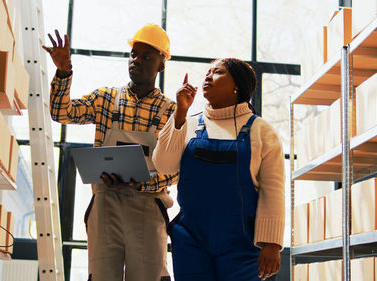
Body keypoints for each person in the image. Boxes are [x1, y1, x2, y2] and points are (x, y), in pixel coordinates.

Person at [43, 25, 177, 281]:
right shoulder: (106, 99)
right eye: (133, 55)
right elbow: (62, 113)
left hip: (148, 206)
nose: (136, 61)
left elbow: (176, 170)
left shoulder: (171, 112)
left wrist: (145, 183)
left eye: (146, 57)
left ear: (161, 65)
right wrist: (63, 72)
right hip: (106, 203)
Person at [153, 58, 285, 281]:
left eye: (218, 72)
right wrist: (180, 115)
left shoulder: (261, 131)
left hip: (241, 243)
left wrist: (272, 243)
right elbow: (163, 165)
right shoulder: (190, 123)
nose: (208, 76)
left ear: (237, 86)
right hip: (191, 241)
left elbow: (273, 190)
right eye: (207, 72)